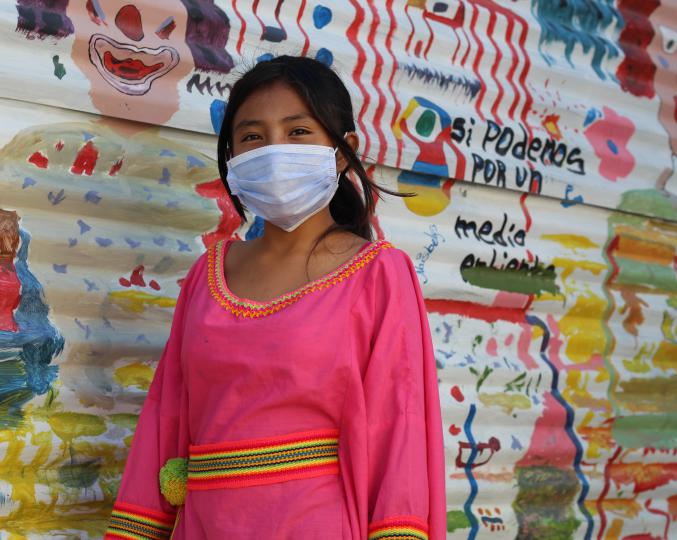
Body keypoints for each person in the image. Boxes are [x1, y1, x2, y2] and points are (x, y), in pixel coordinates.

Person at [104, 55, 446, 539]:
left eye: (298, 132)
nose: (274, 149)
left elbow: (400, 430)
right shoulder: (208, 273)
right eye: (252, 136)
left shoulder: (379, 274)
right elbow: (167, 418)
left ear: (344, 150)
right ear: (233, 157)